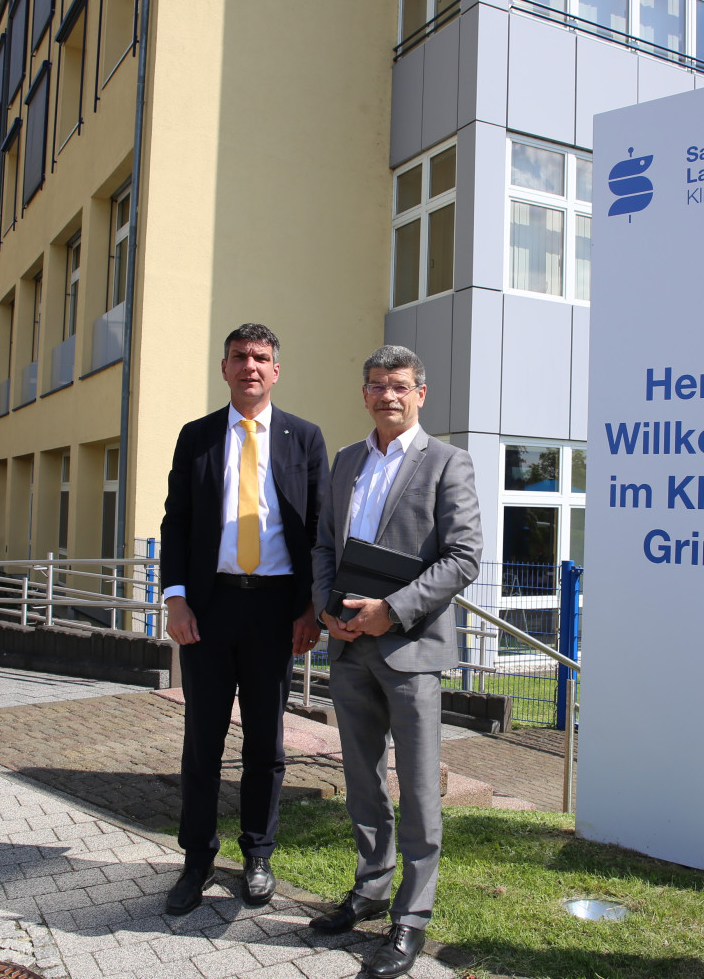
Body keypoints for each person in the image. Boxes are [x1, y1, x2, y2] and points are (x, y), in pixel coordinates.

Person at [309, 345, 482, 979]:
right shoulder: (346, 461)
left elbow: (464, 556)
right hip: (348, 645)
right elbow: (323, 545)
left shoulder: (447, 462)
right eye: (378, 385)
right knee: (362, 779)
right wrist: (324, 606)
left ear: (420, 393)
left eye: (400, 385)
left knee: (417, 787)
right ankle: (371, 886)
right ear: (364, 393)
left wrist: (393, 609)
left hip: (410, 649)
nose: (388, 395)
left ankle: (411, 915)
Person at [159, 323, 328, 915]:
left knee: (265, 740)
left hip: (276, 611)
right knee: (202, 740)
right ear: (224, 368)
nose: (250, 366)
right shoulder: (197, 436)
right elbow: (176, 521)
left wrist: (311, 608)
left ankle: (258, 853)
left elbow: (318, 530)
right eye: (239, 357)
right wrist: (176, 599)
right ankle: (196, 860)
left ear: (275, 370)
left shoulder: (305, 438)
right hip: (209, 608)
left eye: (260, 357)